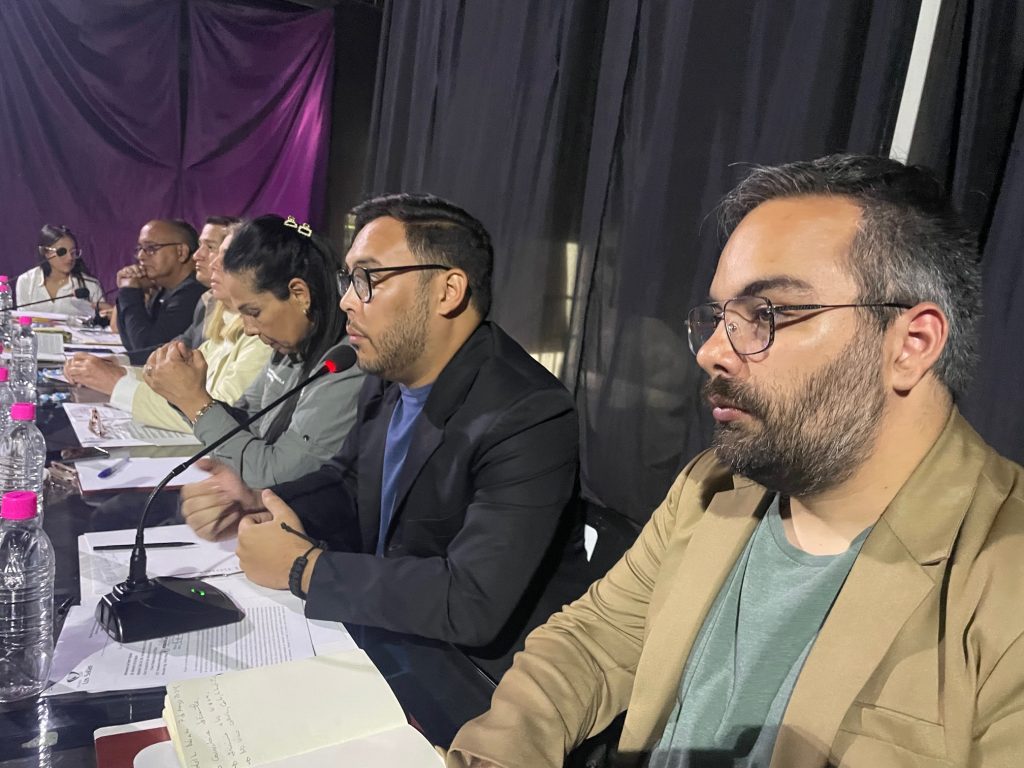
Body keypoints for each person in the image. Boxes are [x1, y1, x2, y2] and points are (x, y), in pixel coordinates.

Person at [447, 155, 1024, 767]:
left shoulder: (1000, 581)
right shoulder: (712, 486)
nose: (712, 353)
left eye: (768, 313)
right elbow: (594, 641)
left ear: (912, 343)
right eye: (721, 317)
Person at [178, 195, 590, 677]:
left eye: (367, 279)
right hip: (385, 631)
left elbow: (472, 599)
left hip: (473, 675)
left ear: (448, 291)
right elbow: (348, 481)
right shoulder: (387, 378)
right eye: (348, 280)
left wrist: (305, 569)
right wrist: (260, 501)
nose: (346, 301)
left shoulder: (528, 413)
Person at [144, 214, 364, 487]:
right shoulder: (289, 348)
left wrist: (194, 402)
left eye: (254, 312)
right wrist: (183, 393)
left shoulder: (345, 364)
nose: (248, 329)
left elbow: (273, 475)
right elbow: (248, 422)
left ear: (299, 294)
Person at [64, 223, 271, 432]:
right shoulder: (211, 309)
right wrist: (116, 370)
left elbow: (216, 417)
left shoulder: (260, 335)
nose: (203, 258)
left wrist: (115, 381)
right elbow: (174, 370)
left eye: (213, 249)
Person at [116, 218, 206, 363]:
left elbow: (147, 350)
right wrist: (128, 290)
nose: (141, 256)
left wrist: (130, 292)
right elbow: (130, 342)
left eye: (151, 248)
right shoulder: (165, 289)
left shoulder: (193, 293)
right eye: (139, 249)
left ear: (181, 252)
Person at [16, 224, 105, 316]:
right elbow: (21, 319)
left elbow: (103, 319)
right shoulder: (26, 281)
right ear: (46, 252)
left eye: (73, 252)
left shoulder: (91, 285)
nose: (70, 258)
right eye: (62, 252)